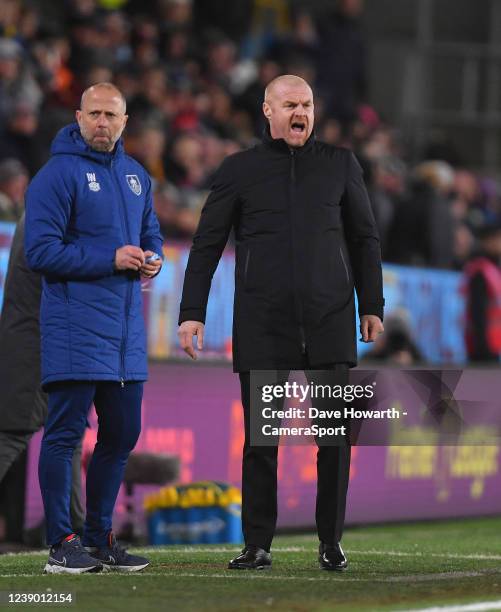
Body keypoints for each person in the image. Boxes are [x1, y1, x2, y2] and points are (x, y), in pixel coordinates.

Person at [178, 75, 384, 571]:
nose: (301, 112)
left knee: (334, 440)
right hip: (264, 325)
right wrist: (191, 313)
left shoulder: (340, 164)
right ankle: (257, 544)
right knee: (261, 443)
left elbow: (364, 239)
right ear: (267, 111)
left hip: (331, 321)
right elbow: (207, 244)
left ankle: (331, 542)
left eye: (308, 104)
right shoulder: (239, 170)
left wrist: (371, 305)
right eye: (291, 104)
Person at [24, 82, 163, 574]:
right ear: (79, 117)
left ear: (126, 122)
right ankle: (62, 542)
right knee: (64, 435)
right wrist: (108, 258)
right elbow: (37, 252)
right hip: (74, 326)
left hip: (125, 332)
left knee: (123, 433)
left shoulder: (136, 176)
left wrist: (154, 258)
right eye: (95, 114)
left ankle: (99, 537)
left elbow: (150, 232)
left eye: (112, 115)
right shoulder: (56, 175)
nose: (103, 123)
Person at [0, 214, 84, 545]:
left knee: (69, 432)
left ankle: (80, 529)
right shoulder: (50, 210)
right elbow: (62, 265)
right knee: (12, 433)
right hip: (35, 340)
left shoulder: (44, 204)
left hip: (53, 340)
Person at [464, 224, 501, 363]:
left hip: (494, 347)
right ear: (487, 241)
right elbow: (477, 313)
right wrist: (482, 347)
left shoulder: (493, 270)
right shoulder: (481, 272)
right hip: (484, 349)